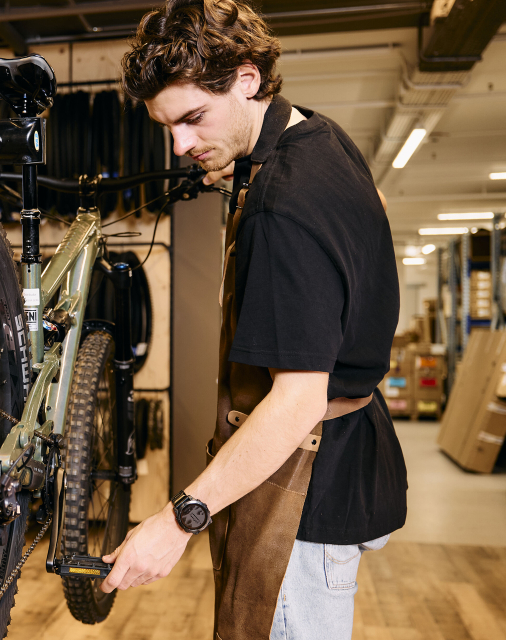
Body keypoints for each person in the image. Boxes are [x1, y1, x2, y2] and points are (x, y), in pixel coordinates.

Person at [101, 1, 407, 639]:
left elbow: (296, 403)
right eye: (169, 127)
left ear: (246, 80)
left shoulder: (282, 205)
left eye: (193, 118)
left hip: (303, 498)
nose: (181, 145)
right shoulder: (317, 135)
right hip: (332, 472)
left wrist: (176, 520)